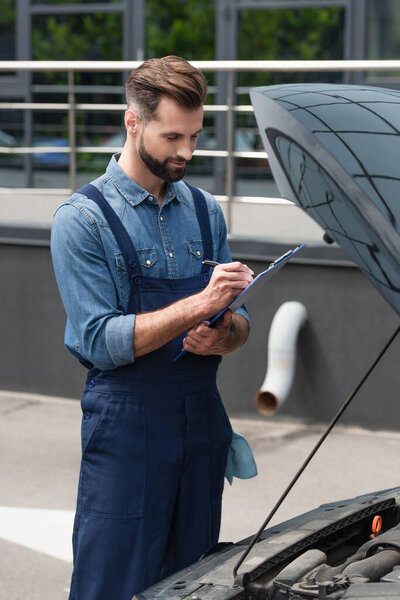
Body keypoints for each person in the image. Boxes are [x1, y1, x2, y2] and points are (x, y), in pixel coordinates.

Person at [51, 55, 253, 600]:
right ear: (133, 122)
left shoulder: (207, 211)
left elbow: (237, 328)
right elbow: (98, 339)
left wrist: (224, 330)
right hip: (127, 426)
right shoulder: (81, 219)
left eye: (194, 136)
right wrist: (199, 306)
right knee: (112, 584)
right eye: (172, 137)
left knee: (195, 582)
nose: (186, 152)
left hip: (200, 418)